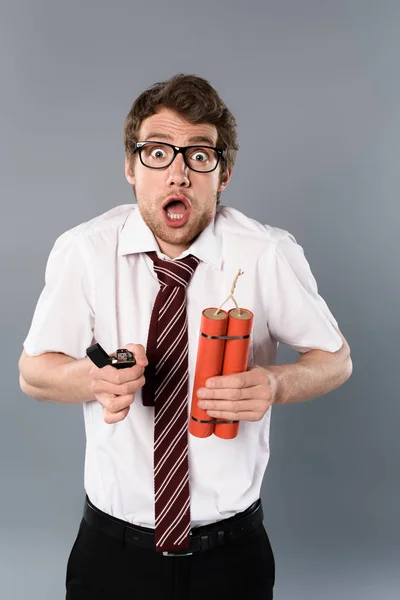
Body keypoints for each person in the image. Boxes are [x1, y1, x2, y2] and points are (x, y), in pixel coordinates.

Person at [18, 73, 353, 600]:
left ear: (223, 175)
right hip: (112, 552)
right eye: (157, 153)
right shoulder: (84, 251)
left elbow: (336, 360)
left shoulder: (265, 253)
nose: (178, 173)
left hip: (230, 555)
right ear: (130, 167)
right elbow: (33, 373)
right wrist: (92, 379)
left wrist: (276, 384)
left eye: (199, 156)